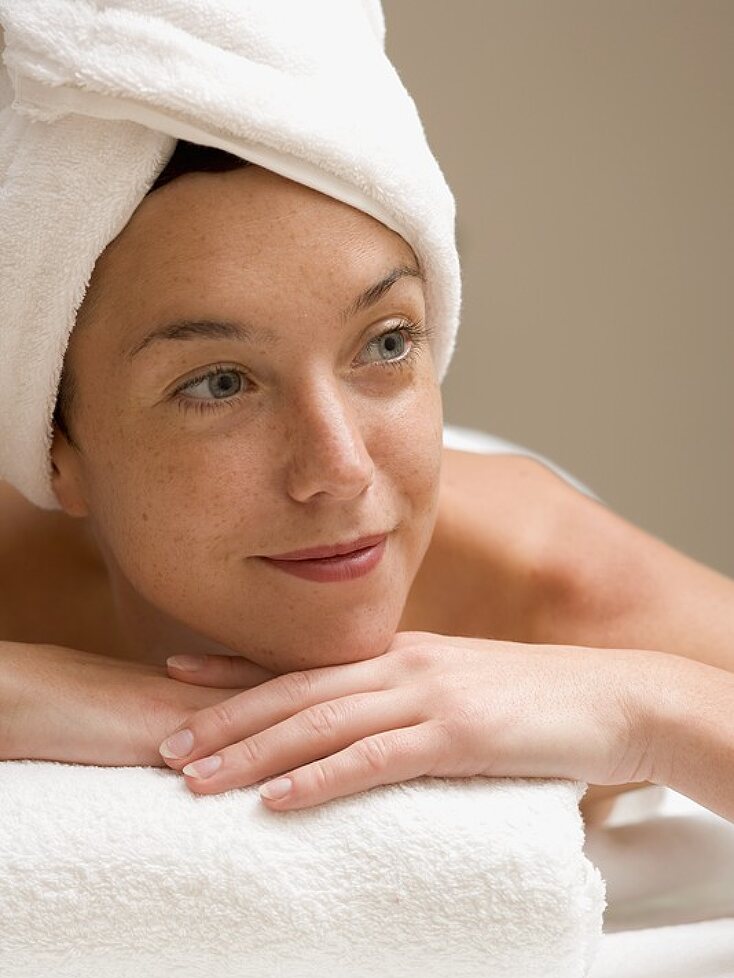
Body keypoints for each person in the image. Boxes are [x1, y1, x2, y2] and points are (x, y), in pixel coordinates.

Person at [2, 140, 733, 825]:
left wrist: (640, 712)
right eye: (220, 384)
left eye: (387, 342)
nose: (342, 468)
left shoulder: (557, 590)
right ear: (58, 449)